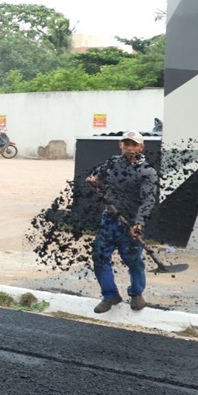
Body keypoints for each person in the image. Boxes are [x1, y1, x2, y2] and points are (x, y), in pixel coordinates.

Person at [85, 130, 158, 313]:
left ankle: (136, 294)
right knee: (100, 257)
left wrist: (139, 223)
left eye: (134, 145)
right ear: (121, 145)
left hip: (131, 223)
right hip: (109, 219)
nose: (130, 148)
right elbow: (96, 175)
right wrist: (93, 179)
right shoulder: (112, 163)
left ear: (141, 147)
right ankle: (110, 295)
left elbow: (148, 200)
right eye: (126, 144)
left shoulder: (147, 172)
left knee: (133, 260)